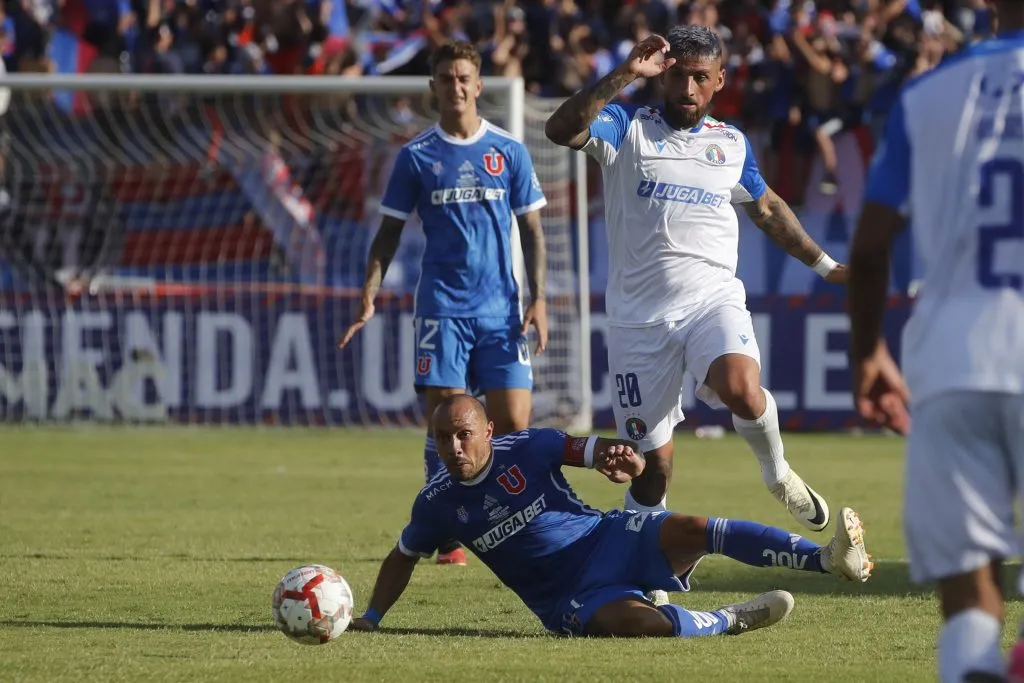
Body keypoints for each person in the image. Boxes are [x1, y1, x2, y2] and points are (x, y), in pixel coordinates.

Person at [544, 25, 846, 602]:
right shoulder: (627, 127)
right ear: (665, 71)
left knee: (743, 390)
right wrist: (628, 72)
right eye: (679, 74)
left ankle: (777, 472)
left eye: (700, 77)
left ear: (719, 81)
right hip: (639, 322)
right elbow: (561, 129)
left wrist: (830, 268)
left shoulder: (730, 142)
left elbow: (768, 207)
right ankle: (651, 574)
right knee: (649, 468)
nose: (687, 87)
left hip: (712, 299)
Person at [348, 394, 873, 638]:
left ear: (488, 432)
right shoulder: (437, 500)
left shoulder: (530, 446)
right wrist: (370, 617)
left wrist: (623, 459)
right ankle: (730, 620)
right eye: (443, 437)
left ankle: (827, 559)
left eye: (464, 434)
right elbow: (404, 555)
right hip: (565, 597)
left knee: (694, 528)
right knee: (630, 623)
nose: (454, 446)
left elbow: (597, 451)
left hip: (608, 538)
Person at [847, 2, 1024, 681]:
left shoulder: (929, 92)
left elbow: (868, 248)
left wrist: (868, 352)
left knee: (968, 589)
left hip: (955, 361)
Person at [337, 40, 549, 567]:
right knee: (447, 422)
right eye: (445, 79)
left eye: (463, 78)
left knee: (515, 425)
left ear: (478, 85)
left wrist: (540, 298)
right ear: (433, 87)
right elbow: (387, 233)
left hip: (502, 311)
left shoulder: (509, 151)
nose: (455, 87)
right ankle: (448, 528)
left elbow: (532, 230)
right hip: (442, 310)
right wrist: (368, 295)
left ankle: (514, 522)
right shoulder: (416, 157)